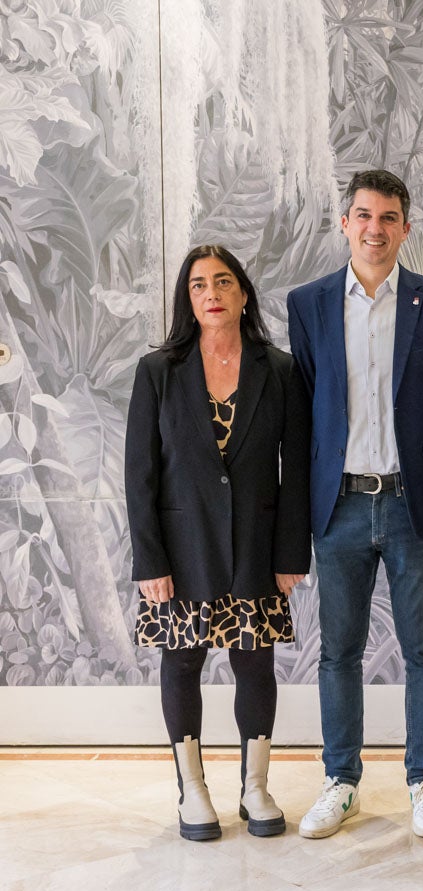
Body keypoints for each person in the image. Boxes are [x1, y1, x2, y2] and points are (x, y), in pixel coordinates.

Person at [287, 169, 423, 839]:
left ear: (405, 226)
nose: (374, 228)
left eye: (388, 216)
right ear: (345, 223)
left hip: (409, 505)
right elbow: (303, 407)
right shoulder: (307, 304)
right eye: (363, 215)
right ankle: (341, 782)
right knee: (338, 652)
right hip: (336, 507)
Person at [126, 244, 311, 841]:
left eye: (223, 282)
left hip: (256, 546)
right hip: (181, 553)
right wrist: (149, 559)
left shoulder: (278, 370)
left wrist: (289, 553)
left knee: (255, 665)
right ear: (189, 297)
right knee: (181, 664)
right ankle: (193, 790)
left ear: (242, 293)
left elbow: (297, 469)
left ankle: (255, 787)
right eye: (199, 284)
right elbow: (139, 474)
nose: (211, 293)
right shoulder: (158, 371)